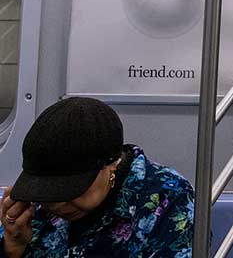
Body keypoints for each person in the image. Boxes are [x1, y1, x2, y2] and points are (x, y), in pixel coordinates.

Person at [0, 97, 194, 258]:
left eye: (69, 189)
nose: (56, 204)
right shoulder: (32, 212)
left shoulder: (168, 200)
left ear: (111, 165)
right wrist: (13, 248)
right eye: (46, 191)